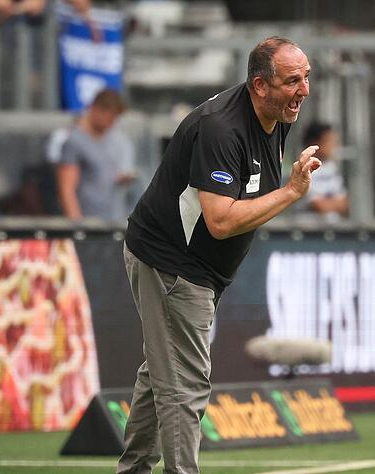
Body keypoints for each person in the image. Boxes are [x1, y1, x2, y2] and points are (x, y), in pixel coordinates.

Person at [117, 36, 318, 474]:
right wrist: (292, 192)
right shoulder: (222, 128)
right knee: (185, 385)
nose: (303, 90)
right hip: (171, 263)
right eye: (292, 81)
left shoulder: (277, 113)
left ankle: (132, 470)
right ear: (259, 85)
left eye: (306, 77)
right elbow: (221, 221)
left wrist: (288, 184)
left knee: (162, 376)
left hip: (200, 269)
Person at [56, 88, 135, 221]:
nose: (112, 122)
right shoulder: (74, 141)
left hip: (115, 219)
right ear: (96, 110)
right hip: (88, 222)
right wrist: (78, 225)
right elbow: (66, 189)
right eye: (110, 116)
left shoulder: (116, 139)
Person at [296, 121, 348, 219]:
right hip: (305, 231)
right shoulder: (301, 168)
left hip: (331, 230)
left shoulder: (331, 168)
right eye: (329, 141)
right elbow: (318, 206)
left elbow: (344, 204)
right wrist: (332, 204)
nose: (333, 146)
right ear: (314, 143)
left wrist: (328, 204)